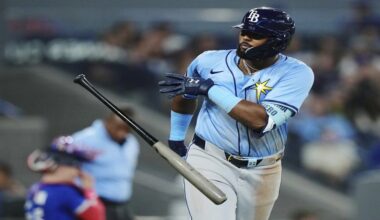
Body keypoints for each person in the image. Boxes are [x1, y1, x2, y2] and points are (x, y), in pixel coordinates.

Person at [158, 7, 314, 220]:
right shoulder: (207, 61)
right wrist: (176, 136)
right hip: (210, 159)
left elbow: (261, 121)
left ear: (278, 40)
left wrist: (210, 89)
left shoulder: (297, 73)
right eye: (244, 31)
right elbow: (184, 95)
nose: (245, 38)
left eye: (256, 34)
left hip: (264, 169)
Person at [72, 107, 140, 220]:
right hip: (96, 203)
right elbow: (64, 168)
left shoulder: (132, 143)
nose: (122, 133)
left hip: (122, 205)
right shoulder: (84, 139)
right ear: (108, 122)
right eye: (118, 127)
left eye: (127, 129)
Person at [25, 136, 105, 220]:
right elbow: (96, 217)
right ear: (59, 166)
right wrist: (89, 190)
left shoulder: (35, 188)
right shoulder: (64, 191)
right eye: (76, 166)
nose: (78, 172)